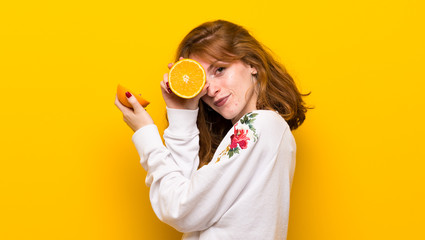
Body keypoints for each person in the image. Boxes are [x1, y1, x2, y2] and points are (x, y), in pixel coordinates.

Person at [115, 20, 310, 240]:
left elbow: (180, 210)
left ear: (252, 63)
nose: (212, 89)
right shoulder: (261, 130)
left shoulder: (258, 125)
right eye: (203, 81)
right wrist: (181, 112)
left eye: (220, 69)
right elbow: (184, 194)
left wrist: (146, 134)